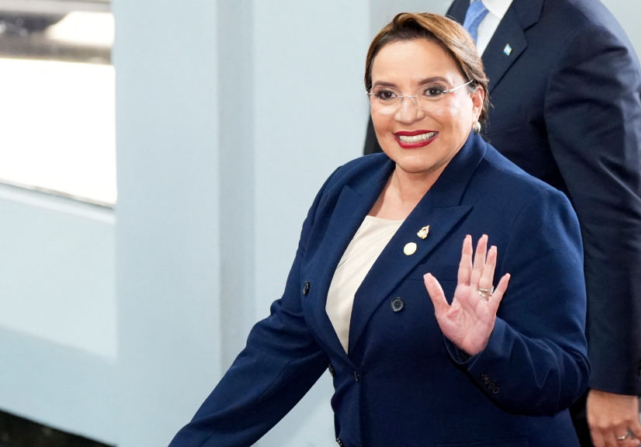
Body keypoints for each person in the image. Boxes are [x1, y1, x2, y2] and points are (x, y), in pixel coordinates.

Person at [171, 12, 589, 447]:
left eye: (432, 90)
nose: (408, 114)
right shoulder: (345, 188)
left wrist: (490, 343)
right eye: (387, 93)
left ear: (476, 99)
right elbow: (286, 341)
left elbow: (565, 375)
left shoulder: (530, 208)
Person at [362, 2, 641, 447]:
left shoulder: (583, 37)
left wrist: (612, 382)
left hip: (530, 350)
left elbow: (614, 219)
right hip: (430, 348)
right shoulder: (462, 12)